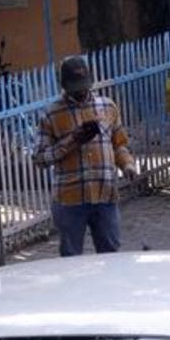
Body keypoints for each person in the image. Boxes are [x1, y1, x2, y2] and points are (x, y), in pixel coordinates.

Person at [36, 56, 139, 256]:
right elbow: (40, 158)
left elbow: (119, 145)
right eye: (75, 87)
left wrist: (128, 165)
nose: (81, 91)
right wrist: (71, 141)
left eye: (84, 85)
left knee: (111, 255)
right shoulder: (51, 114)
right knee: (71, 258)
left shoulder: (108, 107)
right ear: (64, 85)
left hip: (105, 195)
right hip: (70, 200)